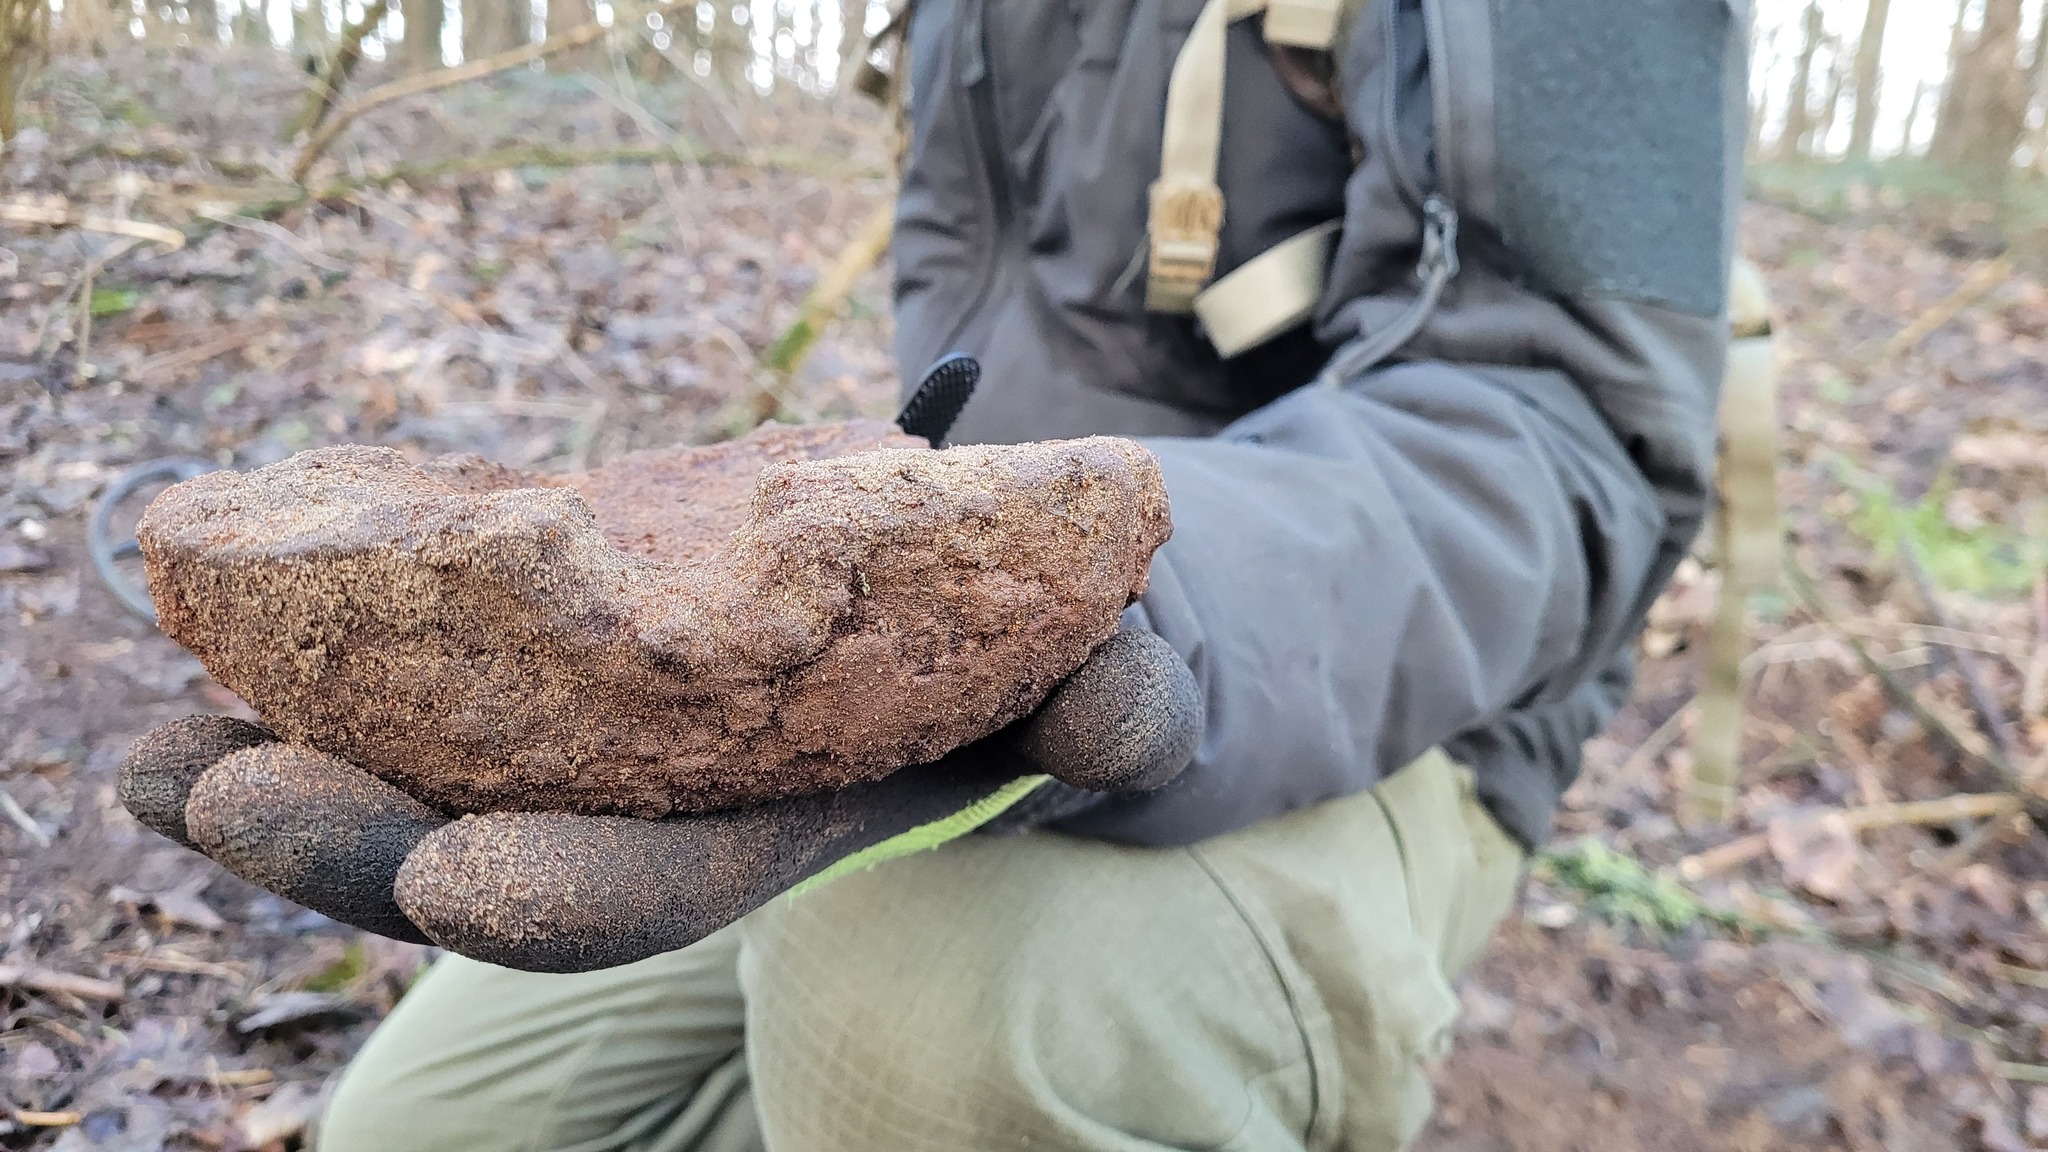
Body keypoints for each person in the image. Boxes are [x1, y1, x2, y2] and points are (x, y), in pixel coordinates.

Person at [125, 0, 1746, 1147]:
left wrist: (1098, 600)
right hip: (942, 653)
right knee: (432, 1125)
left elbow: (1564, 420)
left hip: (1380, 675)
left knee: (930, 1018)